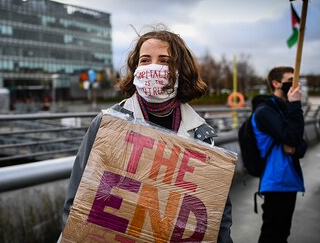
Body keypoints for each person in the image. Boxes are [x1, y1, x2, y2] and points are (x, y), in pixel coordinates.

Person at [60, 26, 233, 242]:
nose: (153, 67)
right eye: (145, 60)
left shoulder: (200, 133)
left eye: (164, 60)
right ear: (134, 69)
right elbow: (77, 200)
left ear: (181, 69)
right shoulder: (108, 123)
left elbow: (215, 213)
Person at [253, 66, 307, 243]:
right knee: (271, 234)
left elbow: (301, 143)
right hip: (275, 181)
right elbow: (292, 136)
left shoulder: (285, 110)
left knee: (282, 234)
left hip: (289, 181)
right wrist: (295, 104)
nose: (296, 84)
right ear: (276, 83)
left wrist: (296, 147)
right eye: (291, 80)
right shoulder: (265, 112)